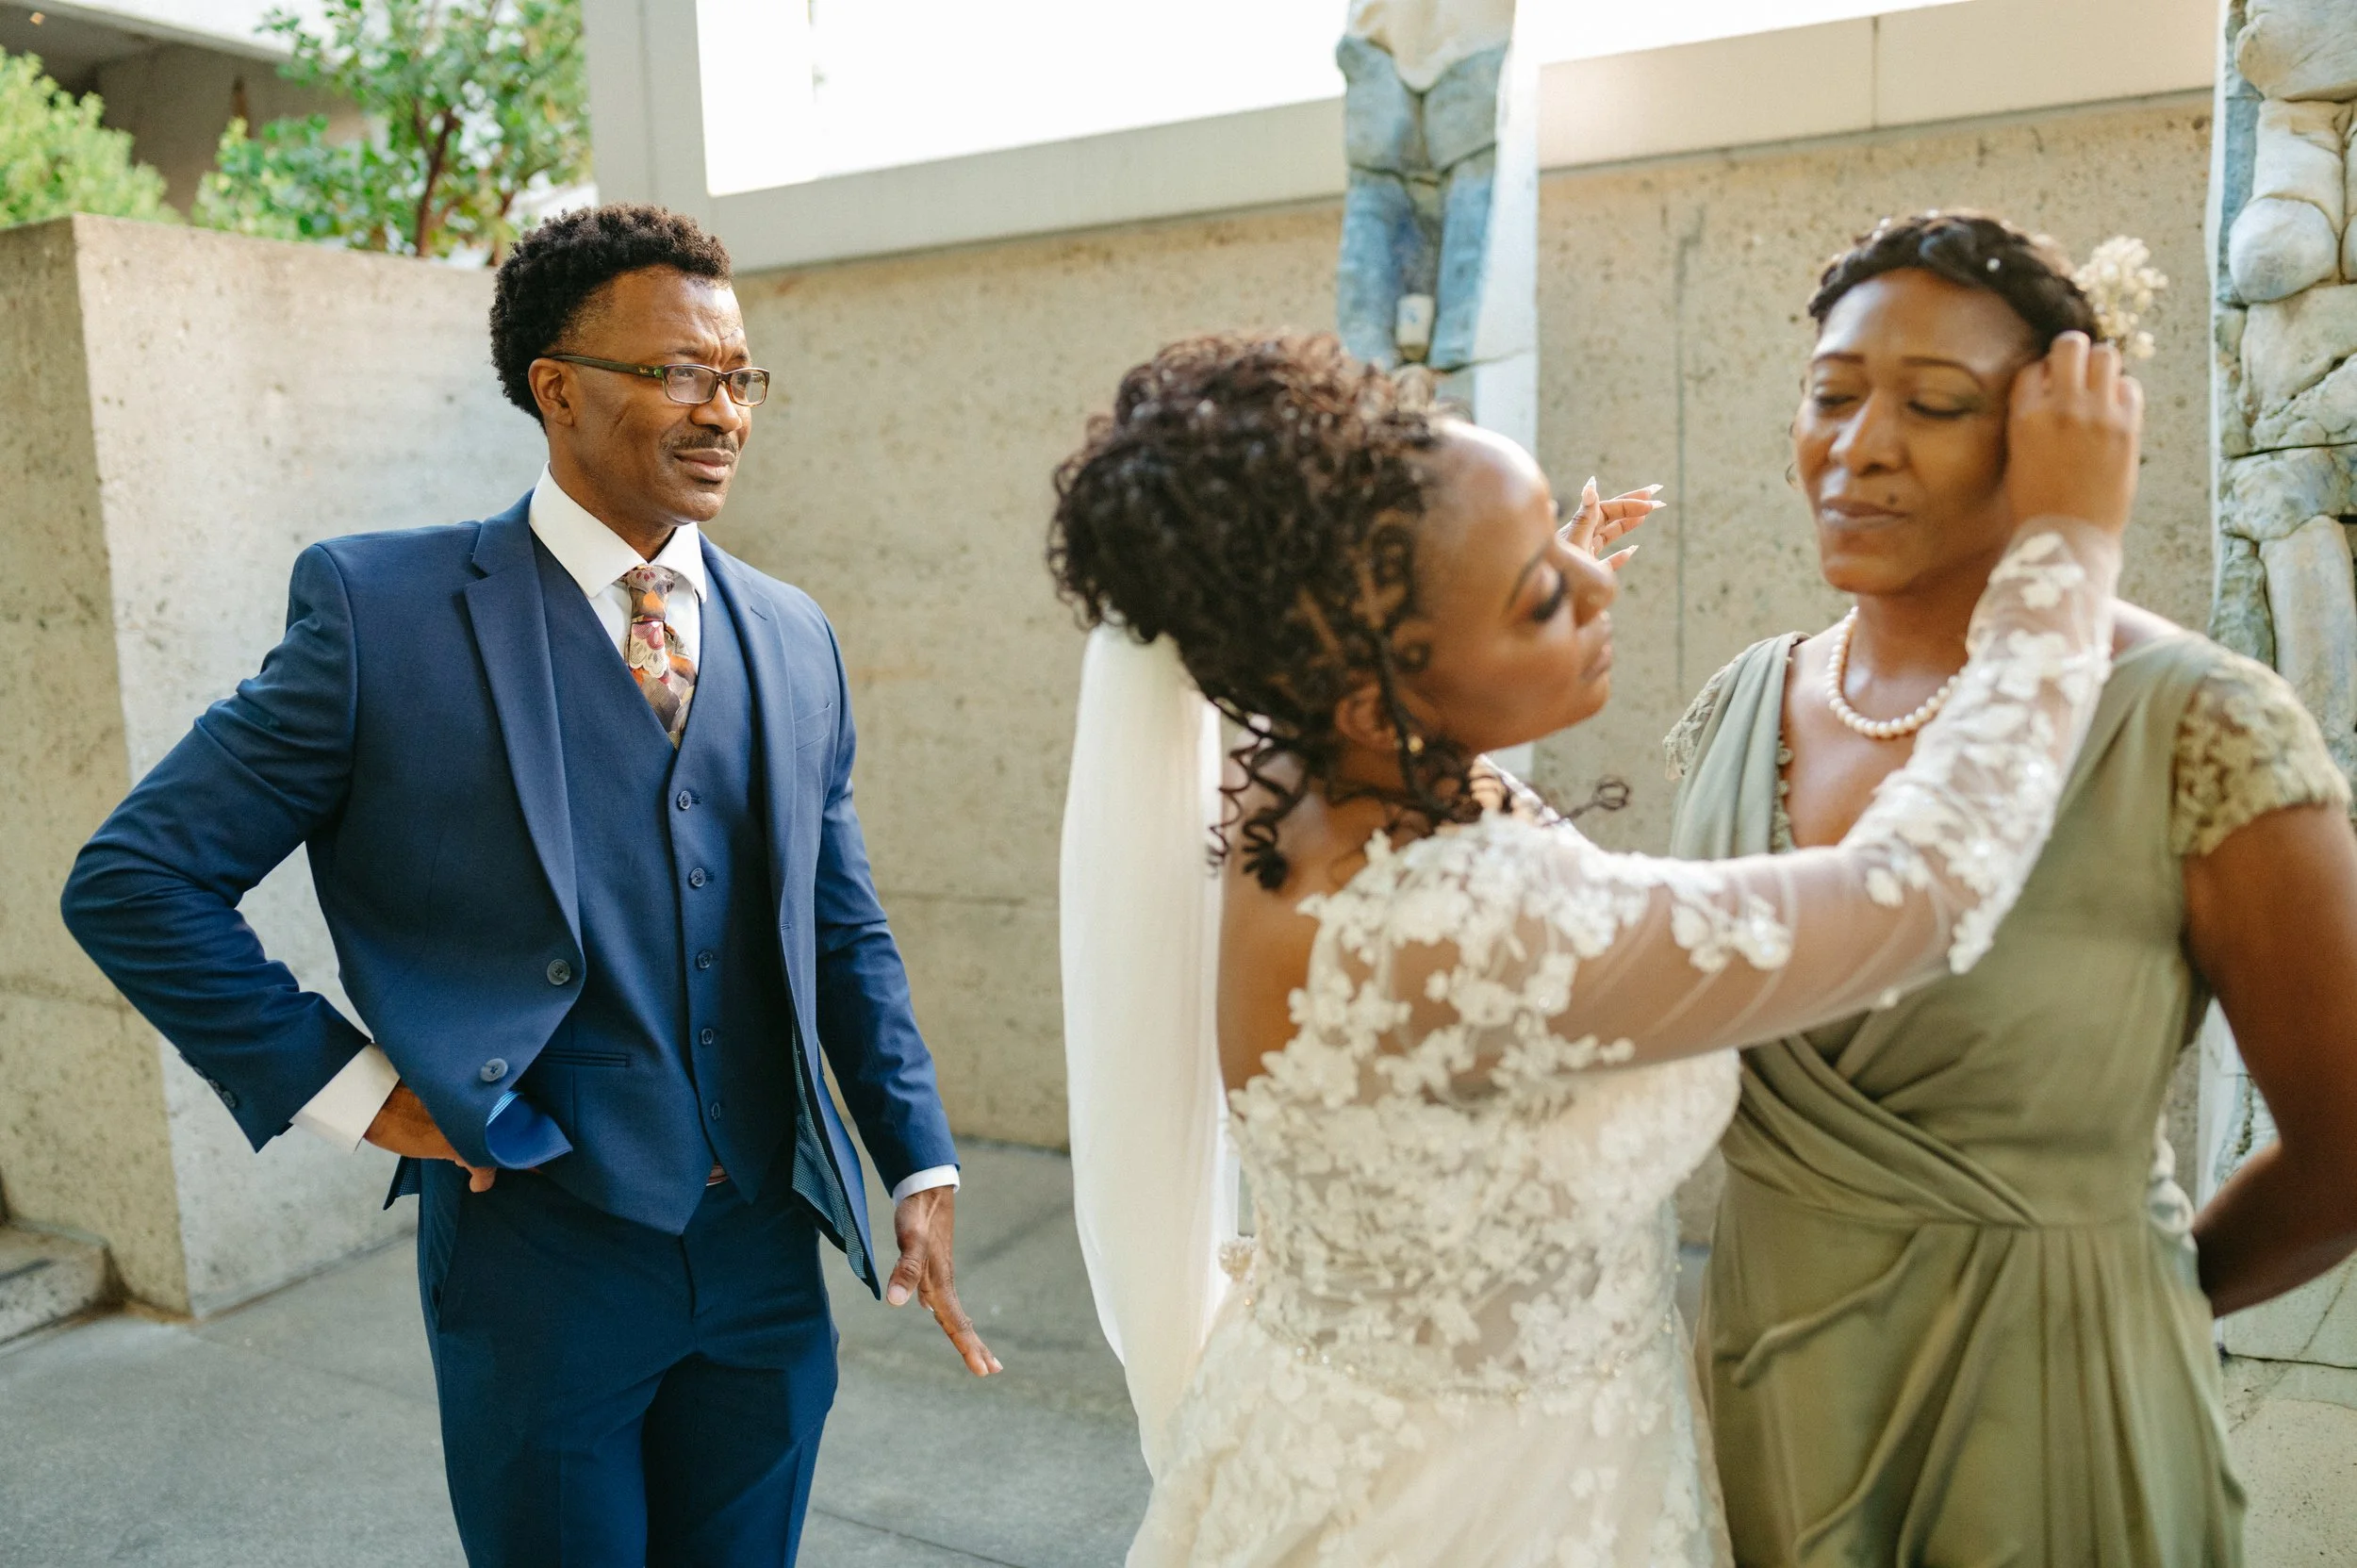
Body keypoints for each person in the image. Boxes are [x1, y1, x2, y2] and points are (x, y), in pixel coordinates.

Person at [1048, 326, 2138, 1565]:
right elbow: (1915, 893)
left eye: (1568, 545)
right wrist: (2069, 553)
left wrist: (1498, 591)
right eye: (1544, 594)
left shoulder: (1298, 777)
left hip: (1318, 1425)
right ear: (1377, 688)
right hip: (1487, 1502)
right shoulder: (1474, 928)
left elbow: (1434, 728)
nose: (1598, 584)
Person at [60, 203, 997, 1568]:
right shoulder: (381, 612)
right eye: (680, 372)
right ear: (557, 388)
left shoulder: (794, 637)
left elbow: (839, 924)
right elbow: (137, 877)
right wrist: (356, 1089)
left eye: (740, 378)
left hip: (762, 1259)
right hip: (539, 1253)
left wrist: (916, 1150)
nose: (722, 410)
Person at [1663, 211, 2357, 1566]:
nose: (1859, 445)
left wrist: (2136, 1287)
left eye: (1932, 404)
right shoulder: (1744, 703)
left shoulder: (2192, 722)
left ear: (2061, 431)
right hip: (1765, 1409)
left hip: (2057, 1422)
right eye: (1831, 394)